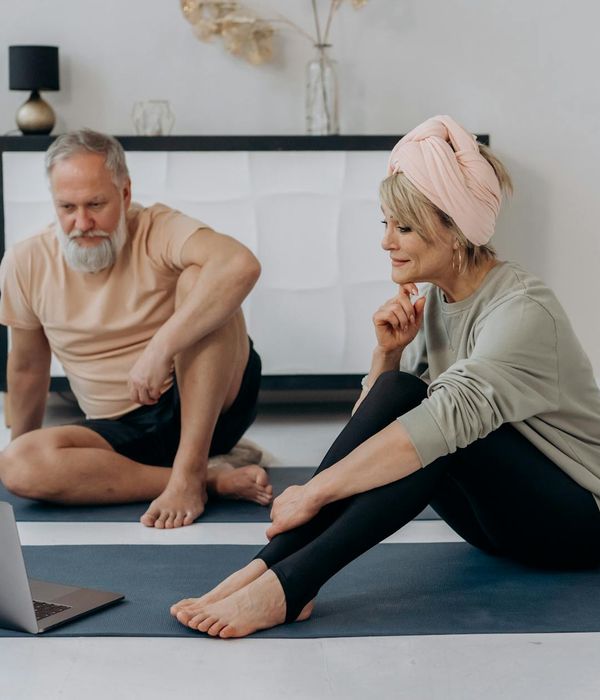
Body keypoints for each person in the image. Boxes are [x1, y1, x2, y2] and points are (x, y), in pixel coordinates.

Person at [170, 115, 600, 637]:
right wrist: (386, 357)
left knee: (438, 429)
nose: (387, 242)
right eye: (385, 224)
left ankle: (288, 582)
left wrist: (314, 491)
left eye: (405, 227)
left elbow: (431, 428)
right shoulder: (439, 301)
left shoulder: (524, 310)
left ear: (455, 231)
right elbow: (374, 431)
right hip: (499, 525)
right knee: (404, 395)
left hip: (577, 523)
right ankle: (273, 570)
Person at [0, 129, 272, 529]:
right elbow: (26, 368)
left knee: (202, 278)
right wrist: (24, 453)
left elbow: (240, 264)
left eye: (95, 204)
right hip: (120, 431)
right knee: (17, 464)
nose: (82, 222)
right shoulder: (25, 262)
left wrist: (161, 348)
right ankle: (208, 478)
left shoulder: (157, 227)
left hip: (209, 405)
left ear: (125, 195)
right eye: (67, 207)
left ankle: (191, 467)